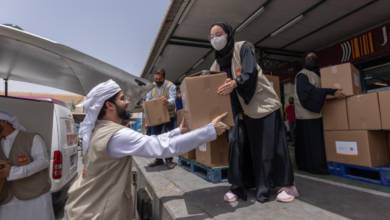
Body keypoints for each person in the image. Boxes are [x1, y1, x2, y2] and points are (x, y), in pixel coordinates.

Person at [65, 79, 229, 220]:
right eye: (122, 99)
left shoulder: (100, 129)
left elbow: (152, 141)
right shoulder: (117, 135)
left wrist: (178, 131)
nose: (127, 102)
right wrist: (210, 130)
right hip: (96, 214)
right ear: (109, 105)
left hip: (87, 208)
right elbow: (162, 148)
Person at [209, 22, 298, 203]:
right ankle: (239, 186)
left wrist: (235, 82)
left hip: (262, 105)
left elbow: (250, 72)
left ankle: (287, 185)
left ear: (228, 33)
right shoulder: (216, 64)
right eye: (211, 37)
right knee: (237, 144)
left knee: (268, 147)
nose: (215, 39)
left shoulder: (243, 47)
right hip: (241, 111)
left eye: (218, 34)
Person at [294, 52, 345, 174]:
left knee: (312, 144)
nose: (311, 60)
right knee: (312, 145)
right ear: (305, 61)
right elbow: (308, 92)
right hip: (307, 116)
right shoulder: (302, 75)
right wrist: (331, 91)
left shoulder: (316, 74)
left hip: (313, 115)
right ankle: (315, 167)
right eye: (309, 58)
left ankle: (309, 165)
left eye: (313, 58)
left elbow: (316, 91)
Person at [0, 111, 54, 220]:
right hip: (8, 197)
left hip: (34, 196)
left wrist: (12, 172)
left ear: (4, 122)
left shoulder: (32, 138)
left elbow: (43, 161)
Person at [145, 69, 177, 169]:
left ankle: (169, 160)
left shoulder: (170, 86)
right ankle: (159, 159)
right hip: (156, 117)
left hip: (169, 115)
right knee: (155, 138)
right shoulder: (151, 87)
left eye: (159, 79)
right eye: (155, 79)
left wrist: (167, 101)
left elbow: (173, 99)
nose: (157, 81)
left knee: (168, 137)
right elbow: (147, 100)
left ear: (163, 77)